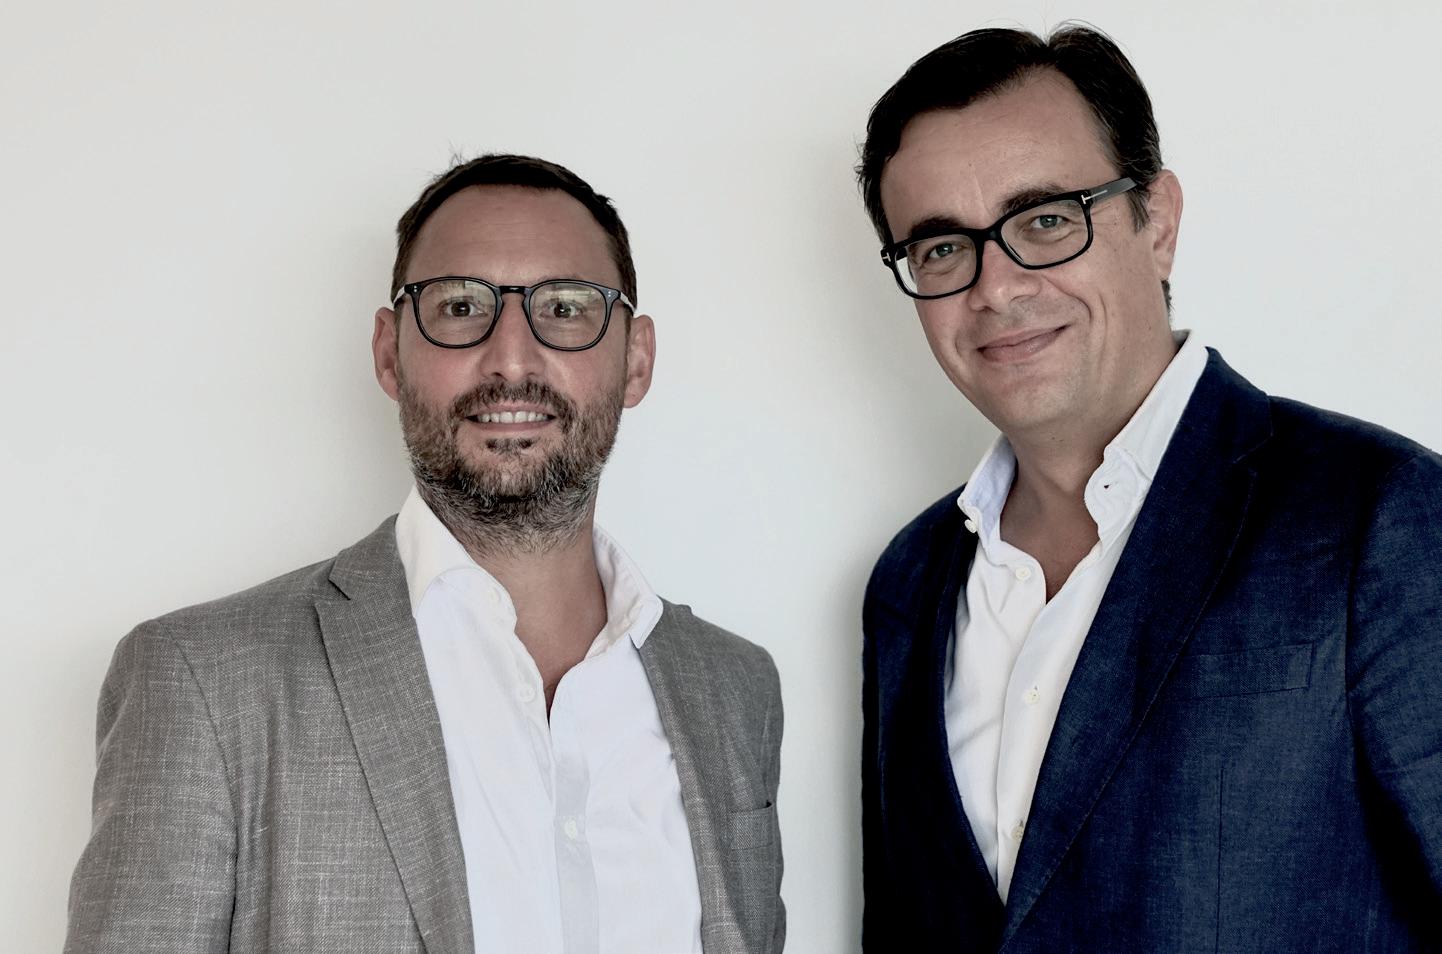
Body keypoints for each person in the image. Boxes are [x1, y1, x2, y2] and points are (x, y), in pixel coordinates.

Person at [65, 154, 784, 954]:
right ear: (388, 351)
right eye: (460, 305)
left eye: (566, 308)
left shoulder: (734, 691)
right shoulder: (203, 682)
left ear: (637, 360)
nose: (511, 358)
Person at [856, 25, 1442, 952]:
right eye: (940, 249)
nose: (995, 288)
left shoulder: (1379, 516)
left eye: (1046, 220)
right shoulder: (908, 581)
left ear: (1157, 223)